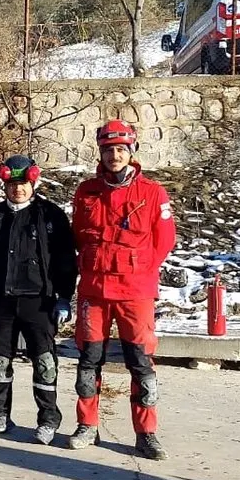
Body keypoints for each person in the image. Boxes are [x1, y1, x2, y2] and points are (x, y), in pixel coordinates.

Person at [70, 121, 176, 460]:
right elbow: (77, 235)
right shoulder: (86, 191)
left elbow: (164, 241)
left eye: (120, 149)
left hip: (135, 292)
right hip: (94, 291)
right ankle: (87, 425)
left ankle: (146, 433)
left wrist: (137, 269)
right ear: (100, 152)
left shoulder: (153, 192)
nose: (114, 155)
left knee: (141, 363)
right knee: (88, 361)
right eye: (108, 149)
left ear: (131, 152)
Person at [0, 155, 77, 445]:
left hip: (39, 301)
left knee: (44, 362)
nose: (18, 189)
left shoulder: (50, 215)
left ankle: (48, 420)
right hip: (0, 301)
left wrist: (64, 298)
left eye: (24, 184)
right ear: (4, 184)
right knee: (0, 362)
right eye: (13, 184)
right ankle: (0, 415)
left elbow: (66, 260)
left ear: (33, 183)